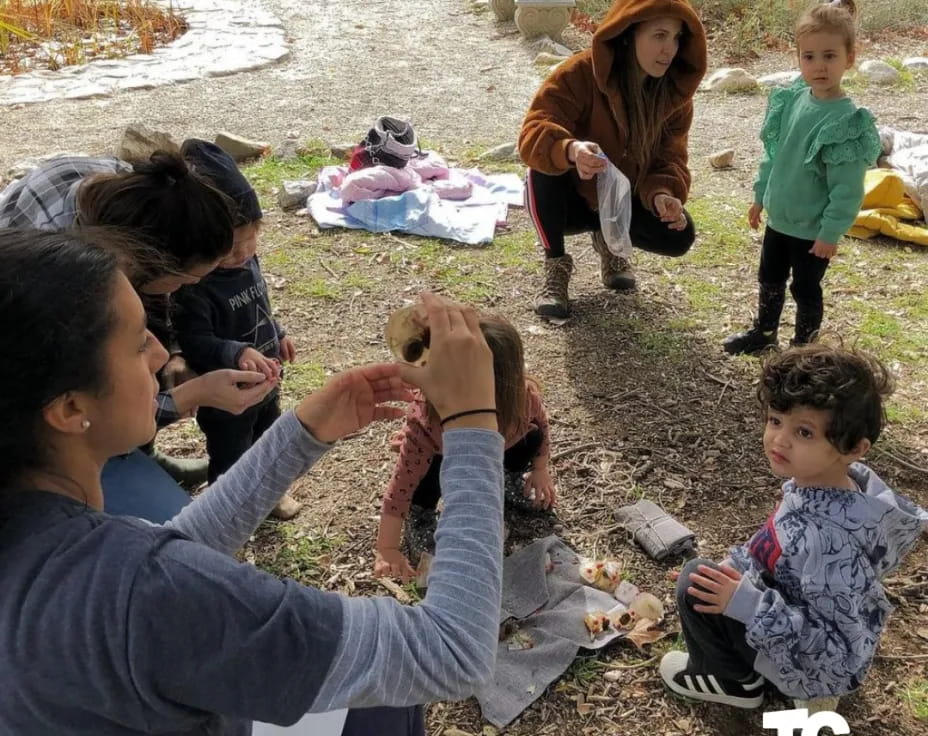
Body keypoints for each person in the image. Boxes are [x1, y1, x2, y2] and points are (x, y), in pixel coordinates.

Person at [0, 226, 506, 736]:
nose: (159, 354)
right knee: (391, 699)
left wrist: (299, 436)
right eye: (136, 343)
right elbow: (452, 651)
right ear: (69, 408)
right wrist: (472, 421)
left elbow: (158, 556)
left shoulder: (39, 537)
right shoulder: (151, 596)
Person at [0, 151, 277, 513]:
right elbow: (85, 408)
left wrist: (178, 353)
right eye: (183, 282)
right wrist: (188, 396)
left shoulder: (140, 195)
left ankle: (142, 459)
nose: (159, 353)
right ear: (136, 266)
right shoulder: (66, 291)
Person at [659, 344, 927, 709]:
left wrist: (748, 605)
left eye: (803, 432)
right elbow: (770, 550)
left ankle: (736, 684)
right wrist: (735, 568)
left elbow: (834, 650)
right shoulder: (831, 488)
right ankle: (806, 689)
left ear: (853, 448)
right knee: (710, 576)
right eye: (775, 420)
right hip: (786, 612)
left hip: (807, 655)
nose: (779, 439)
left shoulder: (825, 542)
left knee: (694, 582)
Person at [518, 0, 707, 318]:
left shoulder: (675, 94)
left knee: (679, 236)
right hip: (573, 199)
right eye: (659, 35)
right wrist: (570, 150)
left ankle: (610, 242)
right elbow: (534, 130)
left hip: (623, 201)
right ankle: (555, 267)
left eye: (676, 38)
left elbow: (669, 159)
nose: (669, 49)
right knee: (543, 164)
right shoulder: (579, 72)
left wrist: (663, 194)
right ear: (628, 32)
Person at [724, 0, 881, 355]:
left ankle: (802, 349)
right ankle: (764, 333)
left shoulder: (845, 122)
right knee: (770, 278)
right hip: (780, 221)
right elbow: (775, 154)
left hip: (812, 231)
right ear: (798, 59)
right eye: (809, 57)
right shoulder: (795, 99)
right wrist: (760, 194)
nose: (819, 66)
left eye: (829, 56)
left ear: (849, 58)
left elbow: (847, 188)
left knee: (806, 288)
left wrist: (831, 232)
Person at [175, 139, 301, 519]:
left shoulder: (248, 263)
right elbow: (195, 341)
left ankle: (269, 494)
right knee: (230, 454)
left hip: (265, 379)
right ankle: (227, 513)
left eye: (251, 240)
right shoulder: (197, 285)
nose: (242, 254)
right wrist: (235, 352)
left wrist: (277, 334)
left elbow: (259, 306)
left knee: (268, 439)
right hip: (227, 391)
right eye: (231, 248)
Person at [374, 315, 554, 581]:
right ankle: (420, 515)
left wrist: (540, 469)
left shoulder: (524, 399)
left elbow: (543, 428)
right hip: (442, 456)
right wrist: (386, 548)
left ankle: (508, 479)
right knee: (423, 478)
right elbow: (401, 486)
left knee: (532, 436)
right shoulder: (427, 424)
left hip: (501, 448)